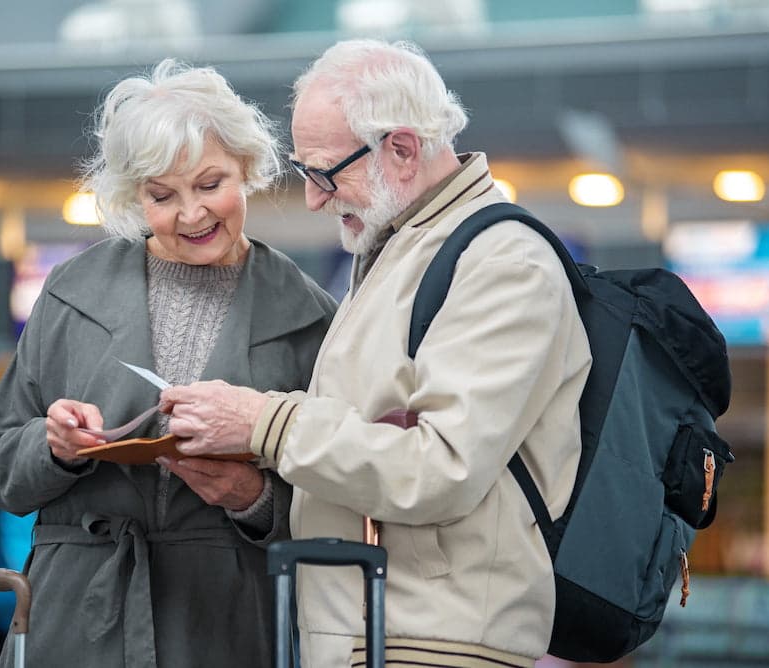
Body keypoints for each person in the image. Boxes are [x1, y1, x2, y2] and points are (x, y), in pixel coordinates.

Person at [160, 39, 593, 667]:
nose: (313, 198)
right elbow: (370, 456)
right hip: (381, 629)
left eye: (325, 173)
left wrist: (264, 422)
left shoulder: (504, 261)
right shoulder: (406, 249)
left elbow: (439, 468)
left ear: (402, 148)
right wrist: (253, 487)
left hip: (432, 641)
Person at [0, 58, 336, 668]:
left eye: (210, 183)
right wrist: (55, 445)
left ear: (247, 167)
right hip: (78, 618)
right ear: (132, 195)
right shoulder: (71, 291)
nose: (192, 214)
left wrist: (254, 497)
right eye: (162, 195)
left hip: (222, 618)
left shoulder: (308, 315)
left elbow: (337, 495)